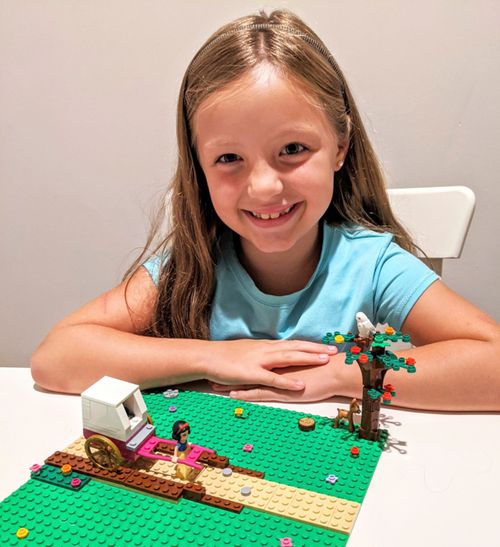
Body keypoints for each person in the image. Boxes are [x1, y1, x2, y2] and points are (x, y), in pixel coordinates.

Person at [31, 10, 500, 410]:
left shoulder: (372, 266)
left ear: (340, 146)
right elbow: (56, 357)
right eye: (229, 158)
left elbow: (492, 361)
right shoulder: (191, 267)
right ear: (200, 167)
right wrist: (212, 357)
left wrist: (343, 375)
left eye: (293, 148)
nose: (263, 186)